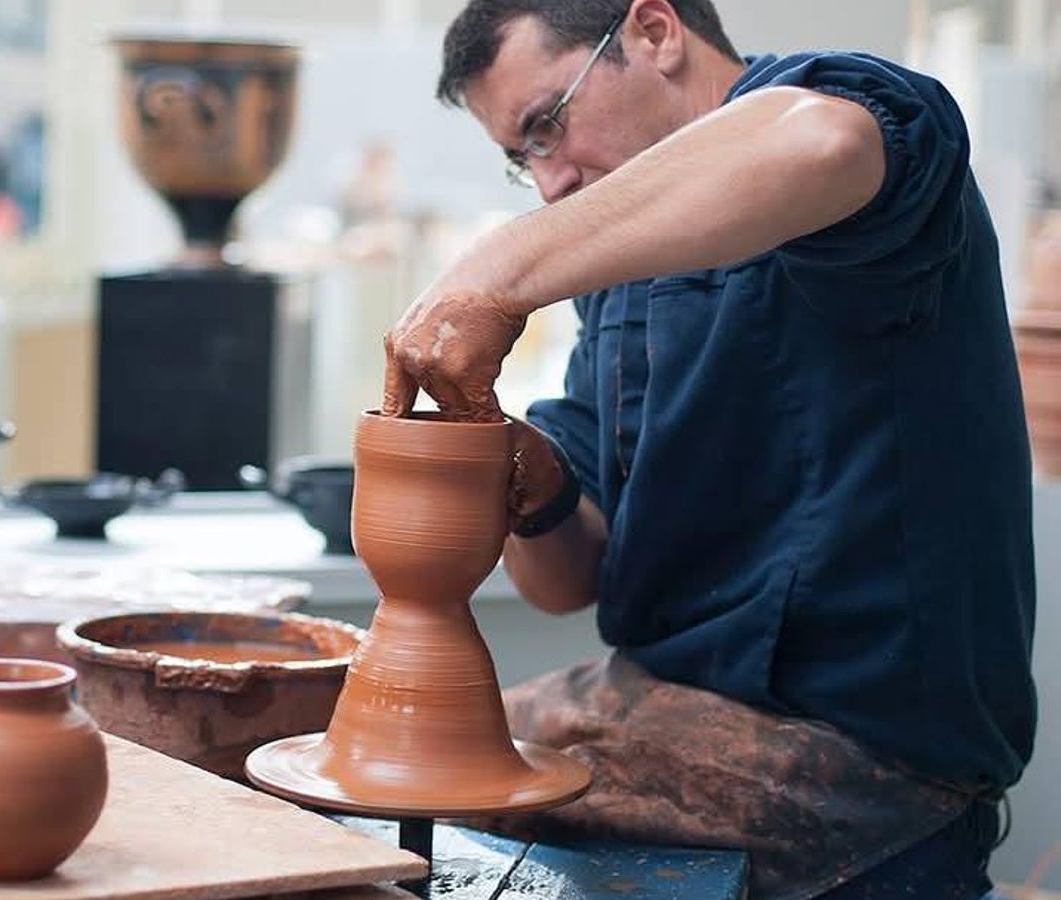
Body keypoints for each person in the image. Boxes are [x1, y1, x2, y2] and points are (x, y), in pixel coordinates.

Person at [380, 2, 1037, 897]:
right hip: (653, 704)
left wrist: (490, 271)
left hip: (865, 757)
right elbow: (567, 580)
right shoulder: (616, 274)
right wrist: (516, 480)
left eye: (547, 126)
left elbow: (820, 147)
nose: (549, 184)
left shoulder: (839, 123)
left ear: (655, 31)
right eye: (520, 159)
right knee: (384, 766)